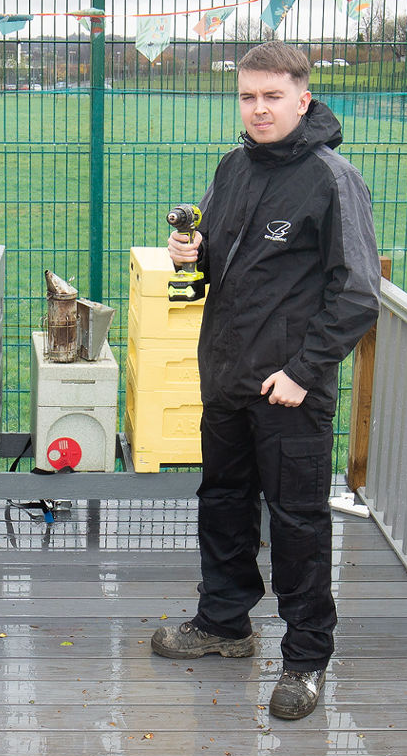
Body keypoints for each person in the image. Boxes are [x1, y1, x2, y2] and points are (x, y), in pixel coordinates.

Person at [150, 41, 380, 721]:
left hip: (289, 390)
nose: (258, 108)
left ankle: (306, 658)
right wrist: (191, 252)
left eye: (272, 96)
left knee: (297, 522)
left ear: (302, 99)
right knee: (221, 500)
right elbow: (225, 261)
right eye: (248, 96)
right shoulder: (232, 168)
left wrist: (303, 372)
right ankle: (224, 624)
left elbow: (357, 293)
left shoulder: (331, 179)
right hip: (225, 374)